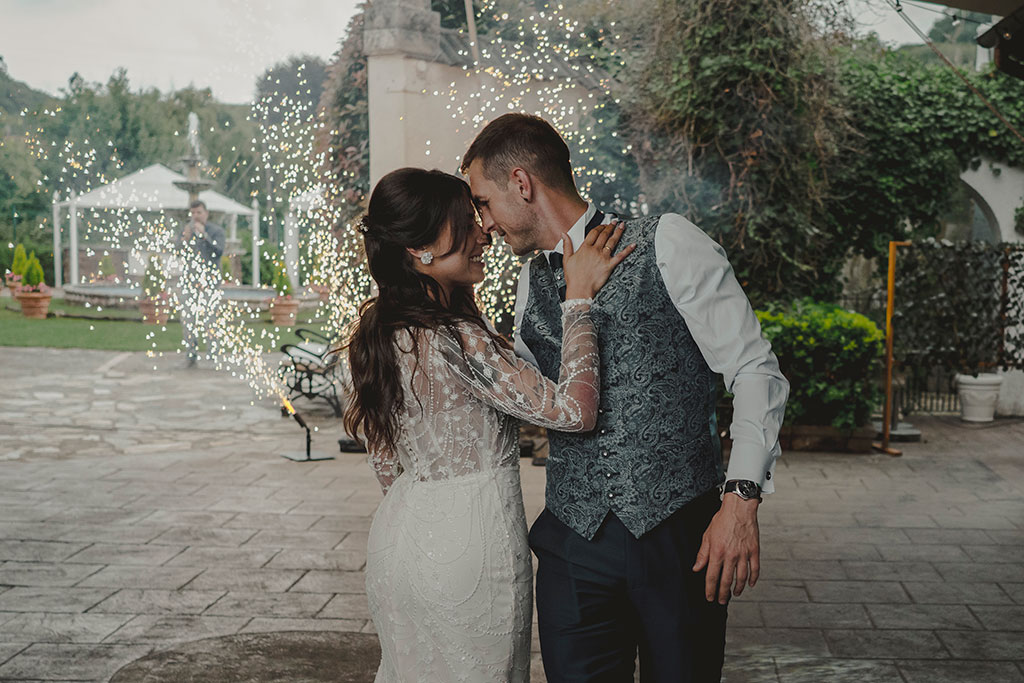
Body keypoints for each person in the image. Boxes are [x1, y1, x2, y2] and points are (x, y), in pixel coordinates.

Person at [462, 113, 790, 682]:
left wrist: (740, 501)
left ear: (522, 183)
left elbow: (755, 369)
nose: (483, 223)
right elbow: (530, 394)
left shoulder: (669, 241)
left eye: (483, 202)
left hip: (678, 538)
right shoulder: (527, 283)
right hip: (572, 544)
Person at [344, 167, 633, 682]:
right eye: (465, 221)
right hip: (471, 546)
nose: (483, 233)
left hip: (401, 540)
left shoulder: (374, 335)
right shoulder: (458, 338)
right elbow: (575, 412)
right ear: (419, 249)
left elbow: (386, 462)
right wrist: (579, 297)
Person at [176, 199, 225, 367]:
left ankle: (213, 355)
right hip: (190, 281)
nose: (195, 216)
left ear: (206, 213)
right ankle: (191, 355)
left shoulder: (216, 231)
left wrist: (205, 235)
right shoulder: (187, 230)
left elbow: (219, 251)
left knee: (210, 320)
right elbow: (177, 252)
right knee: (188, 320)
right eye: (193, 213)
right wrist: (184, 239)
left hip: (210, 282)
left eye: (199, 212)